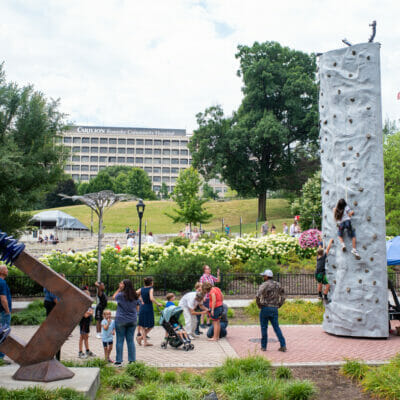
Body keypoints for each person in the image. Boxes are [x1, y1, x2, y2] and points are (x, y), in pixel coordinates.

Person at [256, 269, 286, 352]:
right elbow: (283, 296)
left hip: (265, 308)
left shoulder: (264, 285)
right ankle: (283, 345)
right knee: (276, 327)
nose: (263, 277)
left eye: (264, 276)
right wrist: (279, 304)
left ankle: (264, 346)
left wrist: (259, 305)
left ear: (266, 276)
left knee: (264, 327)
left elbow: (258, 296)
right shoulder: (278, 285)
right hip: (274, 308)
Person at [112, 279, 140, 366]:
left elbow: (113, 297)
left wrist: (119, 289)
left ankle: (119, 361)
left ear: (124, 286)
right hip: (132, 320)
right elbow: (137, 308)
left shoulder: (120, 295)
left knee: (119, 340)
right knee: (130, 340)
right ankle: (132, 360)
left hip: (121, 320)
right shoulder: (135, 295)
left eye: (121, 283)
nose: (119, 284)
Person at [137, 277, 162, 346]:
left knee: (143, 325)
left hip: (142, 307)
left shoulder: (141, 289)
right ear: (151, 283)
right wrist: (158, 303)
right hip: (148, 307)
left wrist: (140, 299)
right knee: (151, 324)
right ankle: (143, 340)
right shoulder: (151, 289)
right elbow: (151, 298)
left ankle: (143, 340)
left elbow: (135, 293)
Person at [78, 287, 96, 359]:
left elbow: (91, 312)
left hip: (87, 322)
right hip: (83, 323)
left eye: (89, 294)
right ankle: (80, 352)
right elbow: (85, 315)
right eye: (87, 294)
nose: (89, 296)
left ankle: (87, 350)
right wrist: (89, 313)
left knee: (86, 337)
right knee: (82, 337)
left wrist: (89, 312)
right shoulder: (81, 304)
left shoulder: (89, 304)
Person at [0, 265, 11, 364]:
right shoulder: (2, 282)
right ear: (2, 271)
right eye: (6, 269)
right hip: (4, 312)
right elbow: (3, 298)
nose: (8, 270)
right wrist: (7, 311)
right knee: (4, 334)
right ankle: (1, 357)